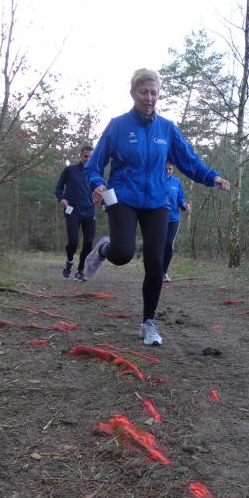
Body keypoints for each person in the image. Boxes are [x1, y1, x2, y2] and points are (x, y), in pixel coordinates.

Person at [83, 68, 230, 346]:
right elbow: (94, 164)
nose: (149, 98)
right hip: (123, 197)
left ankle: (148, 322)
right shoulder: (118, 126)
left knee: (155, 261)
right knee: (122, 254)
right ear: (133, 93)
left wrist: (213, 177)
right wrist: (97, 183)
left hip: (157, 200)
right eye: (143, 92)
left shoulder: (167, 128)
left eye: (154, 92)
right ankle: (104, 249)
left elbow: (189, 160)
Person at [55, 145, 95, 282]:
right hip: (72, 211)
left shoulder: (95, 172)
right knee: (73, 242)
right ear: (80, 156)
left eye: (90, 157)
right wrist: (61, 199)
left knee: (88, 243)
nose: (87, 159)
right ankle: (69, 261)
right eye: (85, 156)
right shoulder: (70, 170)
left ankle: (80, 271)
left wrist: (104, 202)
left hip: (89, 212)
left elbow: (101, 189)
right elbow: (59, 187)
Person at [163, 162, 191, 282]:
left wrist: (184, 205)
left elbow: (180, 198)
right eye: (166, 169)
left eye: (170, 169)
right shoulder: (156, 179)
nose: (168, 171)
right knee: (159, 244)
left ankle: (164, 272)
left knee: (169, 243)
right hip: (159, 219)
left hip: (174, 218)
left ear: (173, 169)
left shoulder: (176, 181)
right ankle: (155, 270)